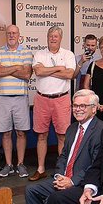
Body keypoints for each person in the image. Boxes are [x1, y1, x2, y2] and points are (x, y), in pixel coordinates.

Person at [13, 91, 103, 204]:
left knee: (52, 199)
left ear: (94, 109)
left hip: (82, 185)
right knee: (32, 190)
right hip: (64, 178)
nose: (78, 109)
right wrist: (59, 176)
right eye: (75, 105)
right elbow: (63, 157)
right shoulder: (72, 128)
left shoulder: (101, 131)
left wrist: (72, 181)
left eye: (83, 106)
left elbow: (95, 166)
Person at [30, 26, 77, 180]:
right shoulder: (39, 54)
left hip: (61, 99)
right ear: (47, 37)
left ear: (60, 38)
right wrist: (58, 68)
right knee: (41, 135)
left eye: (56, 36)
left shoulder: (68, 54)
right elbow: (38, 71)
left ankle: (62, 171)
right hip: (42, 99)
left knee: (62, 136)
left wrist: (47, 70)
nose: (53, 38)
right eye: (51, 35)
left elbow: (69, 74)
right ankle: (40, 169)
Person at [0, 24, 32, 176]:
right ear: (6, 35)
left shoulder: (26, 52)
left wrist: (6, 68)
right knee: (6, 133)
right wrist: (16, 67)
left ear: (19, 35)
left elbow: (26, 74)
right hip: (3, 98)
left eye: (14, 33)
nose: (11, 35)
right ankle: (8, 165)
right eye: (9, 33)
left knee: (21, 133)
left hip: (21, 98)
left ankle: (20, 164)